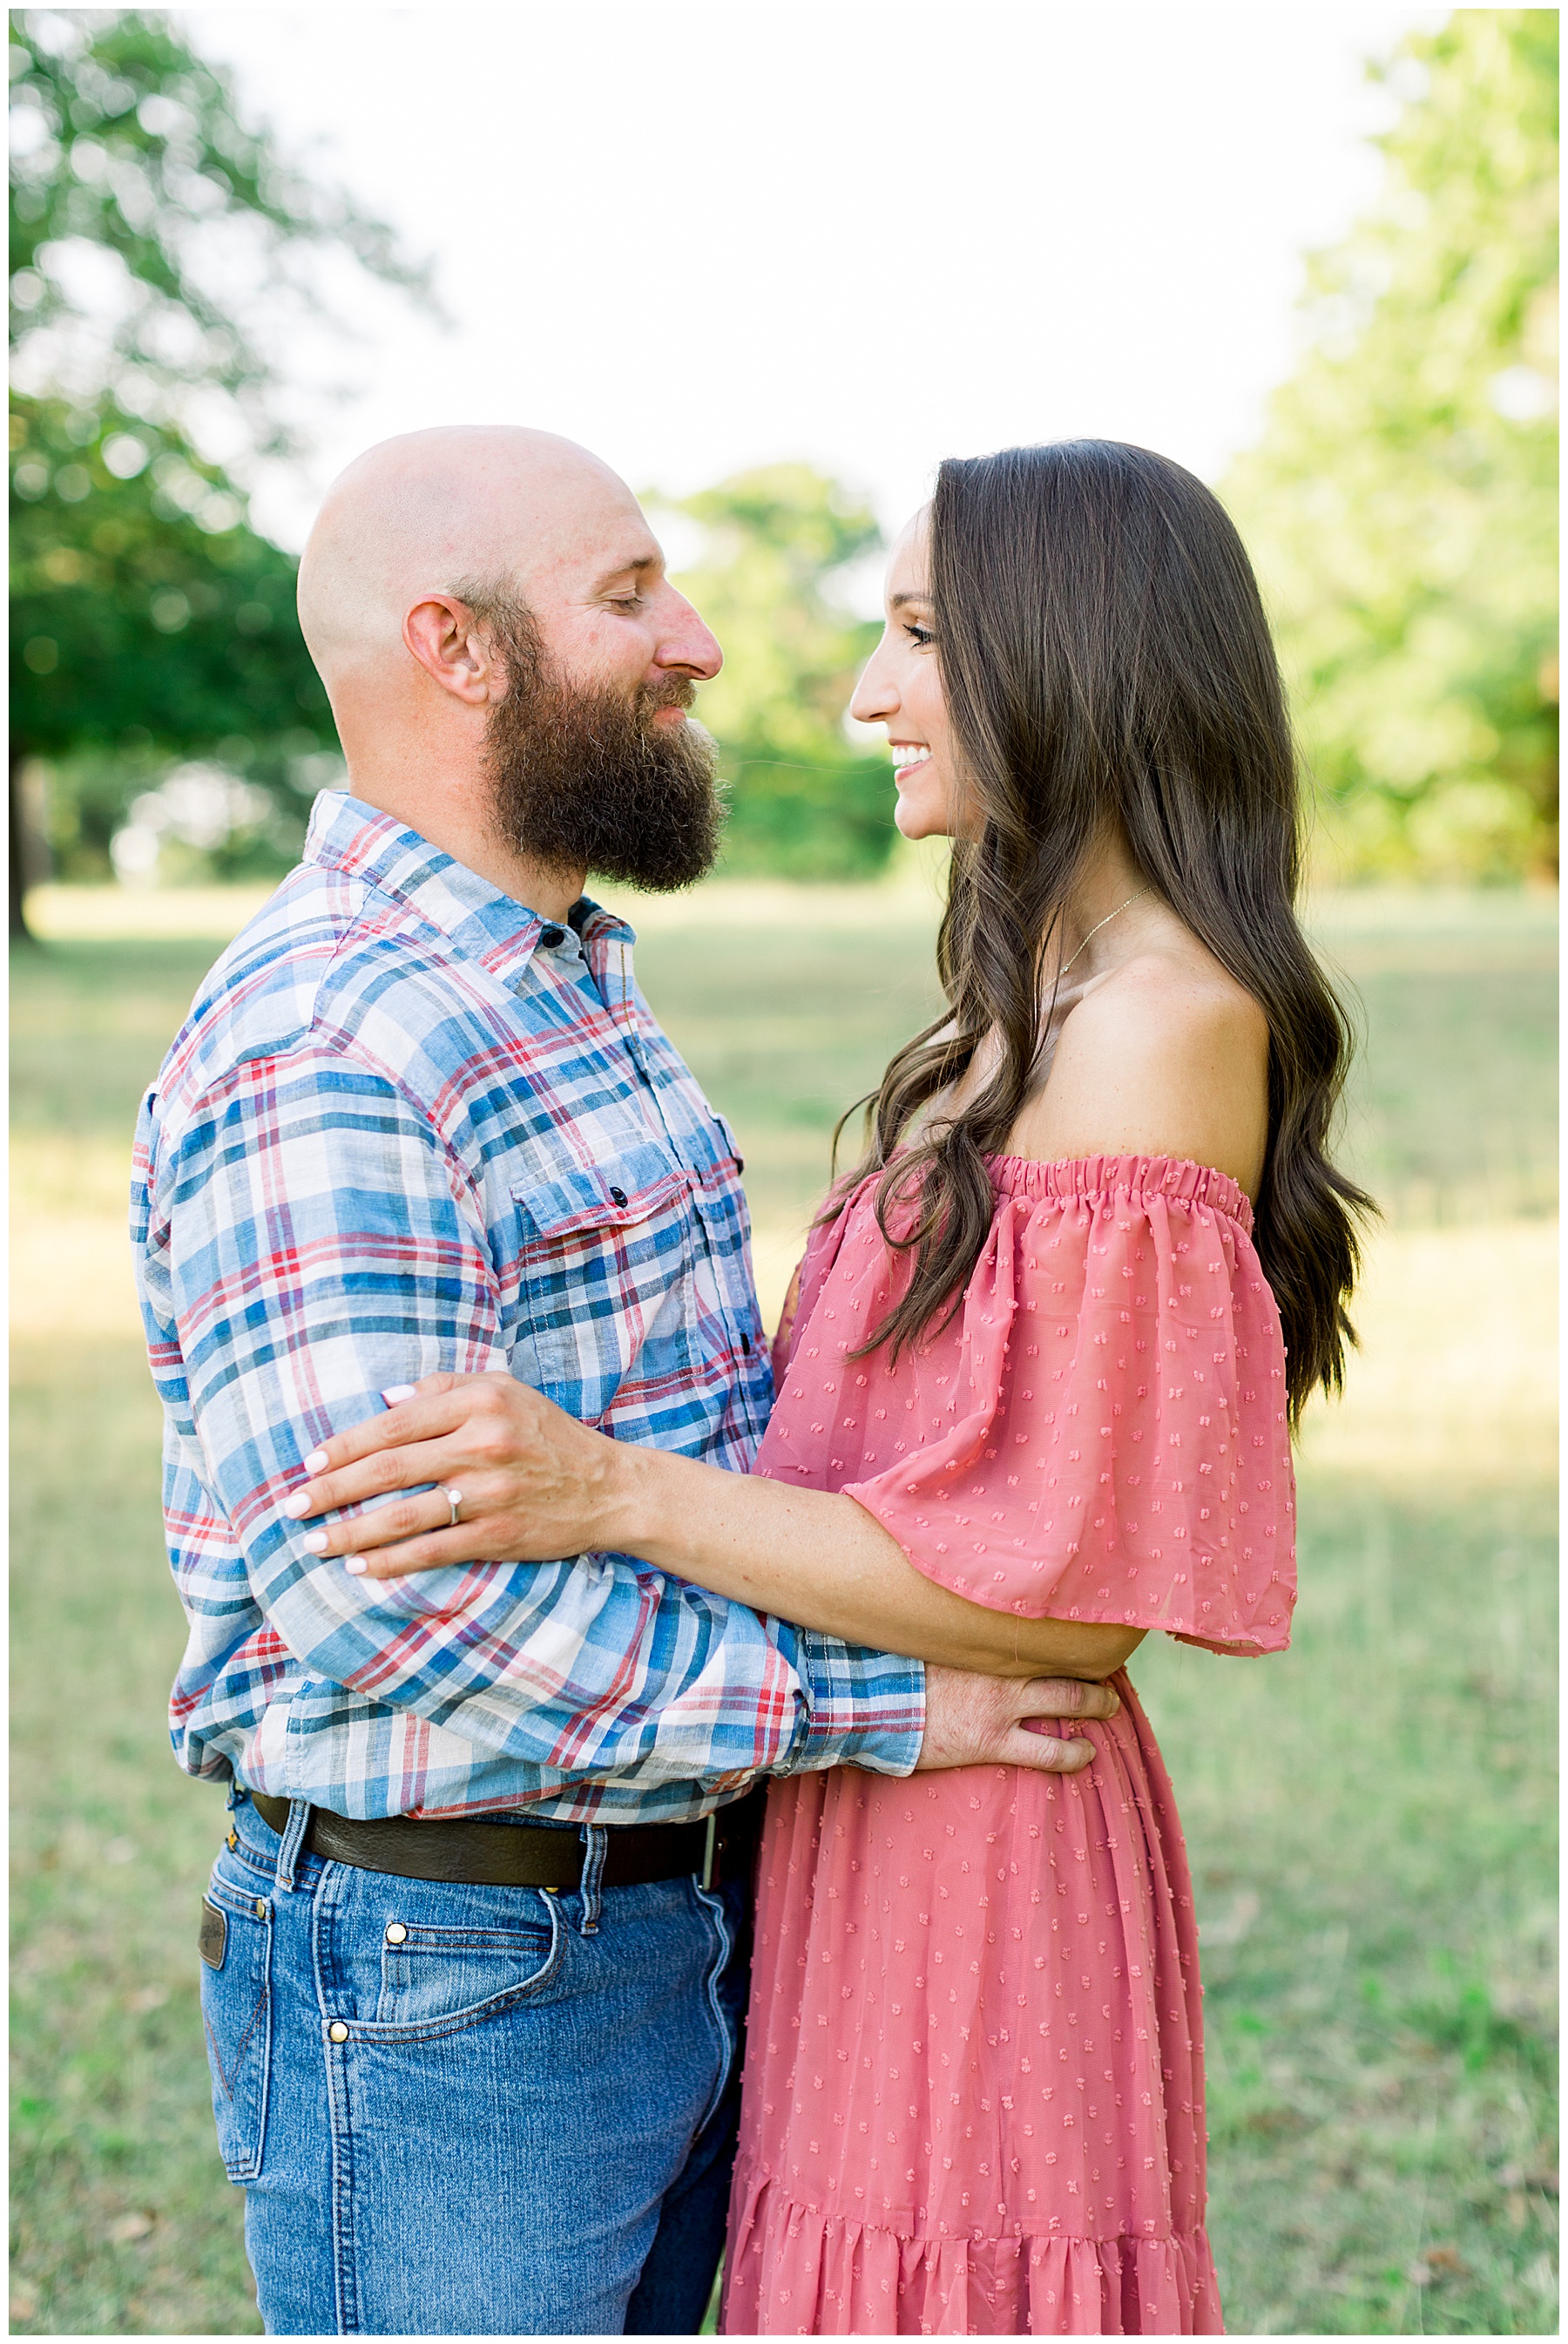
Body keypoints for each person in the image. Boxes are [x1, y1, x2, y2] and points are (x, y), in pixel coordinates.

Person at [288, 438, 1369, 2334]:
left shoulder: (1165, 1024)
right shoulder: (1018, 1006)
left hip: (983, 1835)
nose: (869, 690)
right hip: (861, 1802)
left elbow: (1080, 1600)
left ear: (1076, 655)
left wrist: (610, 1489)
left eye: (921, 633)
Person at [129, 425, 1123, 2338]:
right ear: (461, 648)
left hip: (680, 1906)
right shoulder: (332, 1042)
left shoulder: (559, 972)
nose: (703, 642)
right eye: (628, 594)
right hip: (459, 1975)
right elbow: (393, 1615)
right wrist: (884, 1698)